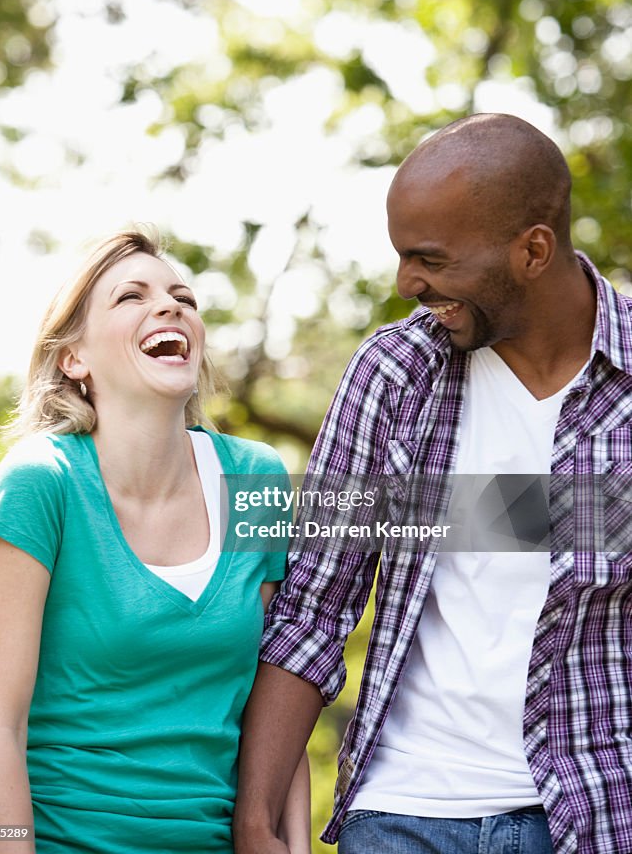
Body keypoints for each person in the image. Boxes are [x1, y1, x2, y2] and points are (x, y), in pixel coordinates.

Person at [233, 113, 632, 854]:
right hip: (400, 816)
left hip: (595, 815)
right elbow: (316, 606)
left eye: (430, 260)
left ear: (532, 252)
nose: (406, 284)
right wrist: (255, 822)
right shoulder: (392, 374)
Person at [0, 229, 310, 854]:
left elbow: (274, 696)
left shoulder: (255, 478)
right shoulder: (40, 485)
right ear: (75, 358)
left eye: (184, 296)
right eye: (131, 295)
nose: (171, 305)